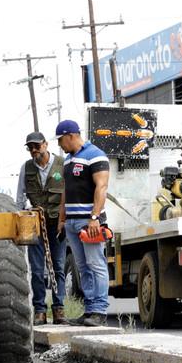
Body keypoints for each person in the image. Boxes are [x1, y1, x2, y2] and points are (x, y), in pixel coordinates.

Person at [56, 119, 110, 326]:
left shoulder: (95, 155)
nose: (60, 145)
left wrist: (95, 217)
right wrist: (62, 219)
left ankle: (100, 310)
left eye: (61, 140)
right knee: (82, 267)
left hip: (90, 222)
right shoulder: (68, 161)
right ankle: (89, 310)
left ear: (71, 136)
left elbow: (101, 187)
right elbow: (65, 191)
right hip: (71, 223)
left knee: (96, 264)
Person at [15, 131, 67, 325]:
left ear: (46, 145)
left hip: (58, 224)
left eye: (37, 146)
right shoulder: (26, 168)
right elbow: (20, 197)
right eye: (30, 147)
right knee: (37, 270)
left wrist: (65, 219)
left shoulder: (62, 165)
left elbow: (68, 194)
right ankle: (40, 310)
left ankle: (59, 308)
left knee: (58, 266)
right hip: (35, 224)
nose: (34, 150)